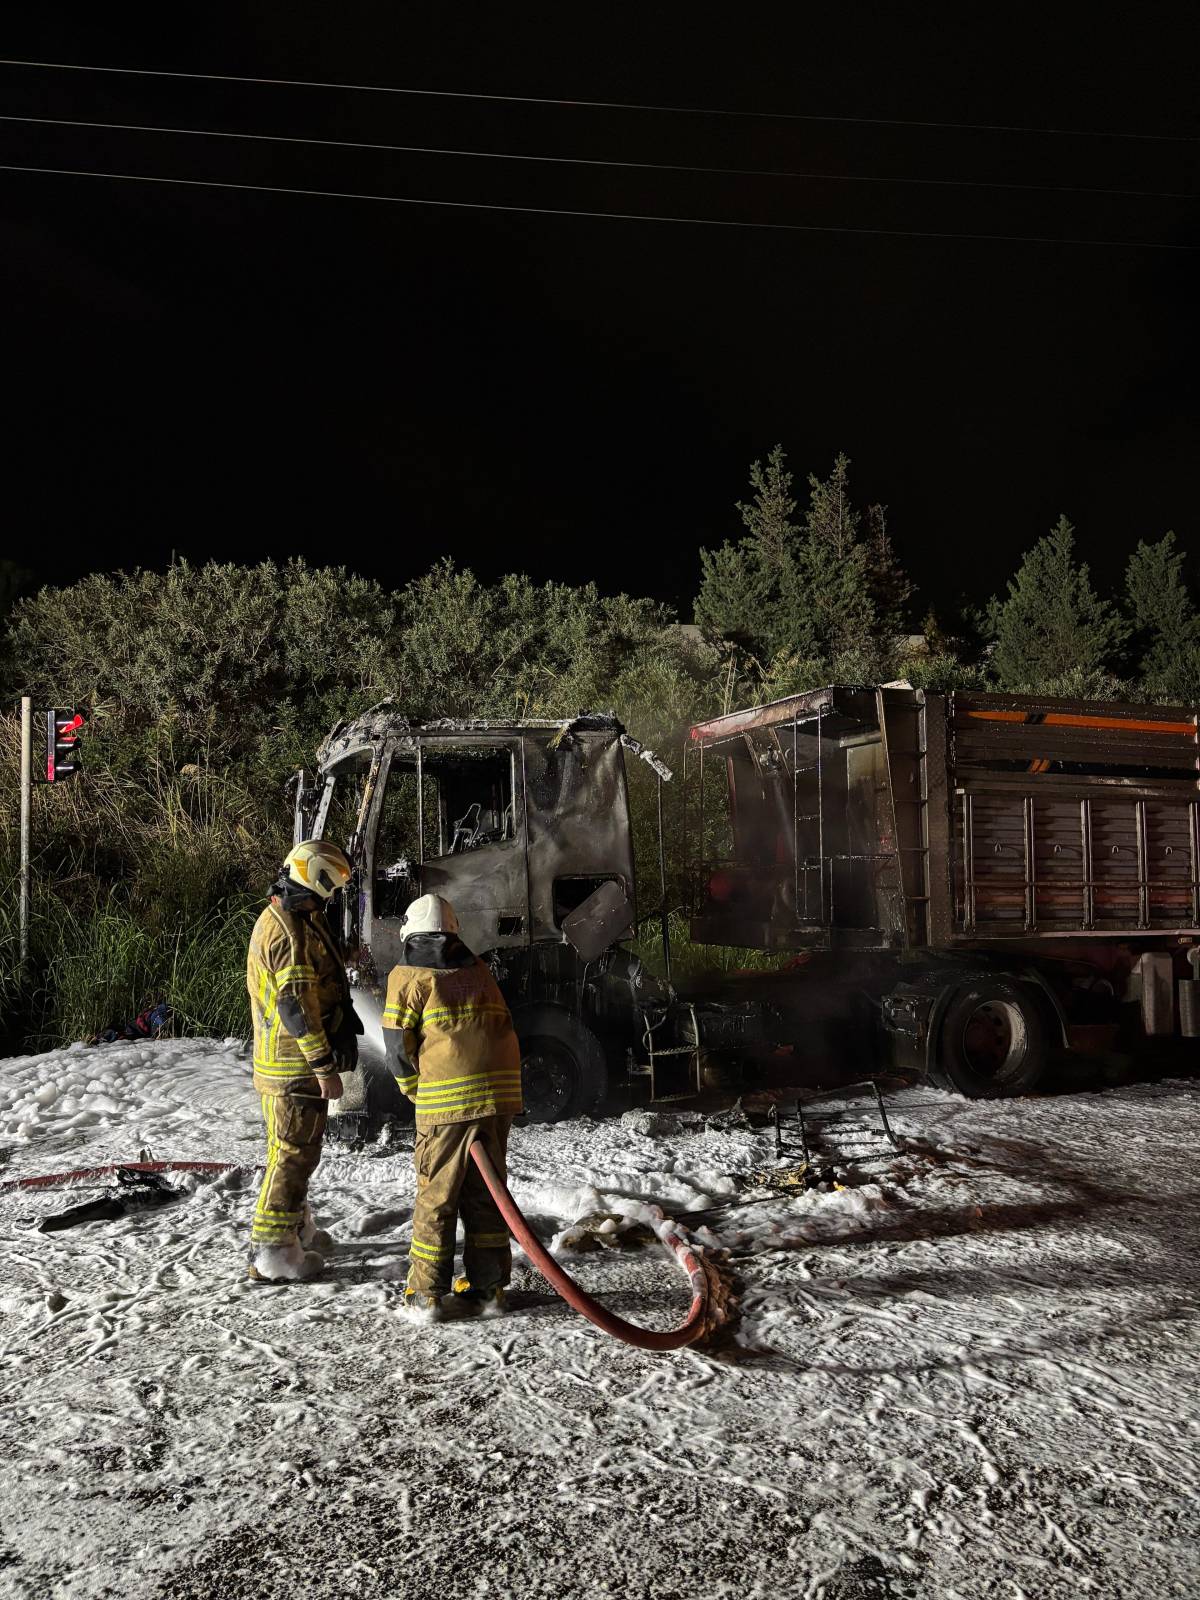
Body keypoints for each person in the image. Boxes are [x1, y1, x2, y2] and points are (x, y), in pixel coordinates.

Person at [382, 893, 523, 1321]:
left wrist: (412, 1090)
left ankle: (425, 1294)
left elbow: (396, 1048)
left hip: (446, 1105)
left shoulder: (407, 976)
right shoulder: (478, 970)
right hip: (497, 1099)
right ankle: (490, 1288)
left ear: (412, 933)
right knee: (486, 1195)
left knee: (437, 1195)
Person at [245, 839, 359, 1282]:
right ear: (314, 876)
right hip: (294, 1068)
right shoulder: (287, 931)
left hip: (283, 1064)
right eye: (330, 883)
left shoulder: (292, 917)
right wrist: (323, 1067)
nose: (333, 893)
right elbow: (295, 1006)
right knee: (293, 1156)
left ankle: (296, 1231)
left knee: (289, 1152)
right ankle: (273, 1254)